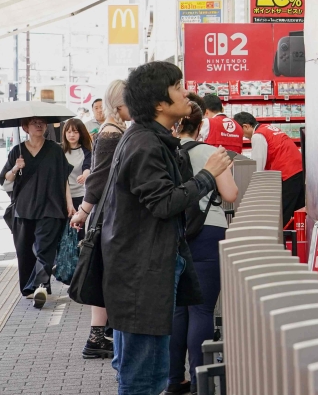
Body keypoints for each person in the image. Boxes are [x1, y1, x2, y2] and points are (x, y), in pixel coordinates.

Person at [101, 61, 230, 395]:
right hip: (141, 273)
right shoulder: (145, 143)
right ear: (159, 103)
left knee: (151, 371)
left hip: (148, 268)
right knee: (142, 376)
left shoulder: (149, 139)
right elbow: (164, 203)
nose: (186, 91)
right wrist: (207, 175)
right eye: (177, 86)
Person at [167, 95, 237, 394]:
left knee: (178, 310)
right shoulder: (212, 152)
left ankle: (173, 380)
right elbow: (231, 193)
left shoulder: (165, 151)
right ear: (201, 126)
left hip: (174, 233)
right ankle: (200, 382)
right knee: (203, 310)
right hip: (209, 233)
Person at [71, 80, 129, 359]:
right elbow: (99, 177)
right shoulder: (111, 133)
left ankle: (100, 336)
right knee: (107, 274)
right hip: (107, 214)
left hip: (107, 213)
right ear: (120, 103)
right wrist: (83, 211)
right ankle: (100, 337)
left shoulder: (113, 131)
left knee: (104, 273)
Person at [0, 117, 73, 308]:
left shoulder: (55, 149)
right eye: (34, 123)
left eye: (42, 122)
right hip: (24, 208)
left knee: (44, 248)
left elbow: (64, 178)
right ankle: (30, 288)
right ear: (25, 127)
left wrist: (69, 203)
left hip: (51, 206)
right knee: (24, 250)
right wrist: (16, 167)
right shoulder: (18, 151)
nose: (39, 126)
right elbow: (5, 178)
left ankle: (40, 285)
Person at [232, 112, 303, 227]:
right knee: (299, 212)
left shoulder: (258, 135)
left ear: (246, 126)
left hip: (287, 173)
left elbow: (258, 168)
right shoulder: (267, 128)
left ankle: (277, 242)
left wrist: (253, 192)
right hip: (299, 170)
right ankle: (298, 241)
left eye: (241, 132)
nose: (243, 136)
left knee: (281, 215)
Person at [61, 118, 93, 225]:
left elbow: (87, 166)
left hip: (80, 194)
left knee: (78, 228)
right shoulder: (60, 151)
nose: (71, 135)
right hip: (62, 195)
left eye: (75, 132)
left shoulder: (86, 151)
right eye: (69, 132)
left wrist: (85, 175)